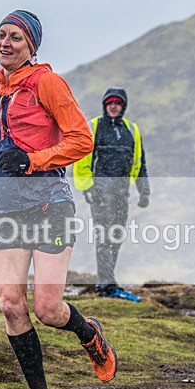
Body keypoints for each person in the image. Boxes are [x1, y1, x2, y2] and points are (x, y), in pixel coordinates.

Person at [0, 10, 117, 389]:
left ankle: (88, 333)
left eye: (16, 38)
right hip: (6, 209)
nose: (6, 43)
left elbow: (82, 139)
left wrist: (32, 162)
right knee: (10, 305)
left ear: (32, 47)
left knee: (46, 307)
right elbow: (8, 152)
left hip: (49, 206)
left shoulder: (47, 83)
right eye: (1, 35)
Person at [72, 87, 150, 301]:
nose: (113, 106)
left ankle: (108, 281)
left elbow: (139, 164)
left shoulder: (131, 130)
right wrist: (88, 187)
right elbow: (82, 160)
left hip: (121, 193)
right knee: (104, 237)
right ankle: (104, 285)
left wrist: (144, 192)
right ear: (105, 105)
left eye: (117, 103)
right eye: (110, 103)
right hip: (101, 192)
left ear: (123, 106)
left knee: (116, 236)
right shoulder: (95, 127)